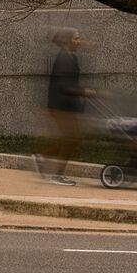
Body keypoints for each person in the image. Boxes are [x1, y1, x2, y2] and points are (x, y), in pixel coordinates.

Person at [39, 29, 89, 179]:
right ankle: (56, 173)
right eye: (76, 39)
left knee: (73, 138)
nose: (79, 42)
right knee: (72, 138)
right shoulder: (64, 59)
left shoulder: (70, 57)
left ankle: (43, 157)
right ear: (68, 41)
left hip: (65, 106)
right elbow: (64, 86)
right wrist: (83, 91)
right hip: (61, 106)